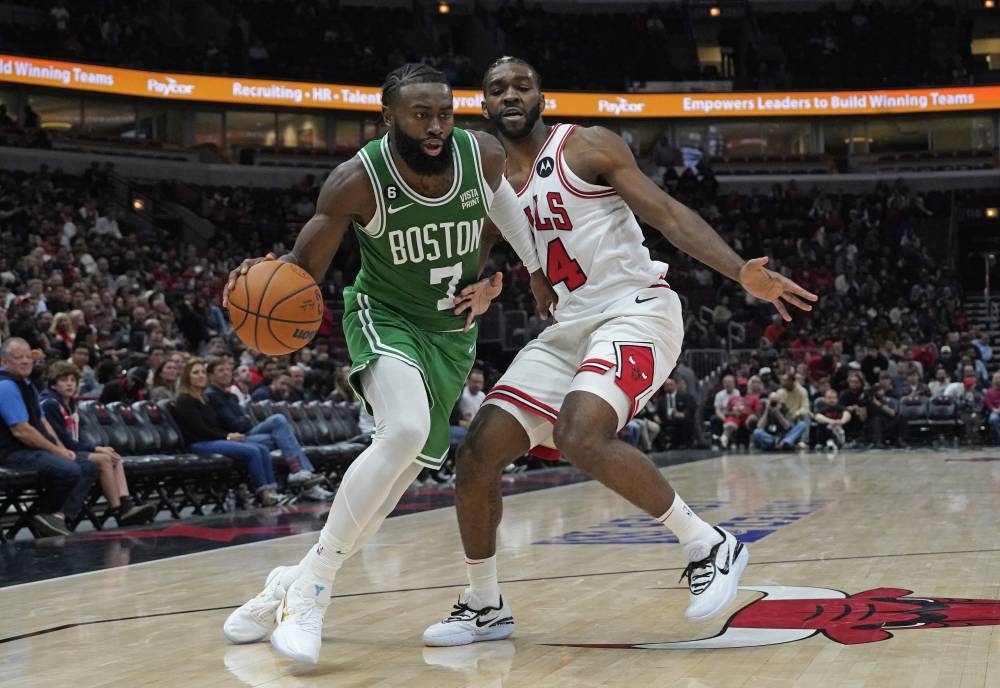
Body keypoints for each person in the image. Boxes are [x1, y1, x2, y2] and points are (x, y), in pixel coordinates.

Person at [421, 57, 816, 648]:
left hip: (636, 310)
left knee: (581, 433)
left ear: (540, 97)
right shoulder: (490, 179)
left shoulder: (585, 147)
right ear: (483, 105)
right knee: (477, 456)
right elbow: (483, 250)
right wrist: (485, 285)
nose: (511, 95)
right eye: (497, 88)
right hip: (567, 328)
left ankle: (709, 542)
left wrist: (740, 272)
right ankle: (484, 603)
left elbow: (667, 214)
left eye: (522, 86)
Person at [220, 63, 556, 664]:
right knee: (399, 431)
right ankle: (313, 595)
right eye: (420, 115)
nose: (435, 127)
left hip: (451, 333)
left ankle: (288, 581)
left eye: (444, 113)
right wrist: (259, 280)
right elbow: (301, 269)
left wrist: (516, 275)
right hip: (384, 317)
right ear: (390, 118)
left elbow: (505, 211)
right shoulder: (358, 180)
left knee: (386, 489)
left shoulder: (480, 155)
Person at [0, 338, 97, 536]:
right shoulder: (6, 386)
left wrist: (62, 449)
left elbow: (44, 423)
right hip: (12, 453)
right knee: (69, 469)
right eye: (19, 358)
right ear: (4, 362)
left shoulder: (28, 385)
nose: (26, 361)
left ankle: (57, 517)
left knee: (87, 465)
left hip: (33, 450)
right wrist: (55, 451)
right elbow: (22, 431)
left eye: (29, 356)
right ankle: (39, 514)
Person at [40, 361, 155, 526]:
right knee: (104, 459)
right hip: (57, 452)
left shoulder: (70, 403)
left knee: (114, 456)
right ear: (53, 383)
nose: (70, 384)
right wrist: (96, 448)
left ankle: (126, 504)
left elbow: (77, 438)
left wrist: (99, 448)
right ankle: (119, 511)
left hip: (70, 449)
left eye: (73, 380)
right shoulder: (50, 404)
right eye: (64, 380)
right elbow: (62, 441)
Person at [203, 357, 332, 501]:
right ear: (210, 375)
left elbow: (243, 422)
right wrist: (241, 422)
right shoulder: (211, 395)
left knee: (280, 427)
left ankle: (302, 475)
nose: (226, 373)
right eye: (221, 370)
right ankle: (302, 476)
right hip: (230, 440)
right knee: (279, 429)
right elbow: (234, 424)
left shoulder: (231, 396)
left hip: (245, 435)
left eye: (228, 370)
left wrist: (243, 421)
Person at [172, 358, 285, 507]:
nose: (201, 376)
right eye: (195, 373)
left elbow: (215, 426)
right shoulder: (185, 400)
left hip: (213, 440)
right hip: (197, 444)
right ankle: (264, 495)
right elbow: (200, 430)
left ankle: (273, 492)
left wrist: (230, 436)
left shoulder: (204, 398)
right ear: (187, 377)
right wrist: (227, 436)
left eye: (203, 372)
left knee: (262, 449)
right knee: (253, 451)